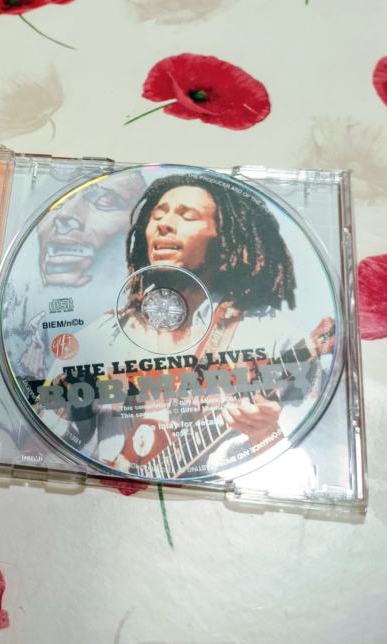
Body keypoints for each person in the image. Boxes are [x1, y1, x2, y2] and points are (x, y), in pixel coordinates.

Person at [36, 171, 333, 480]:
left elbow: (305, 471)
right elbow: (41, 451)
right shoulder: (102, 338)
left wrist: (265, 435)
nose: (163, 224)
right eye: (156, 215)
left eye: (187, 216)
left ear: (225, 240)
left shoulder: (275, 338)